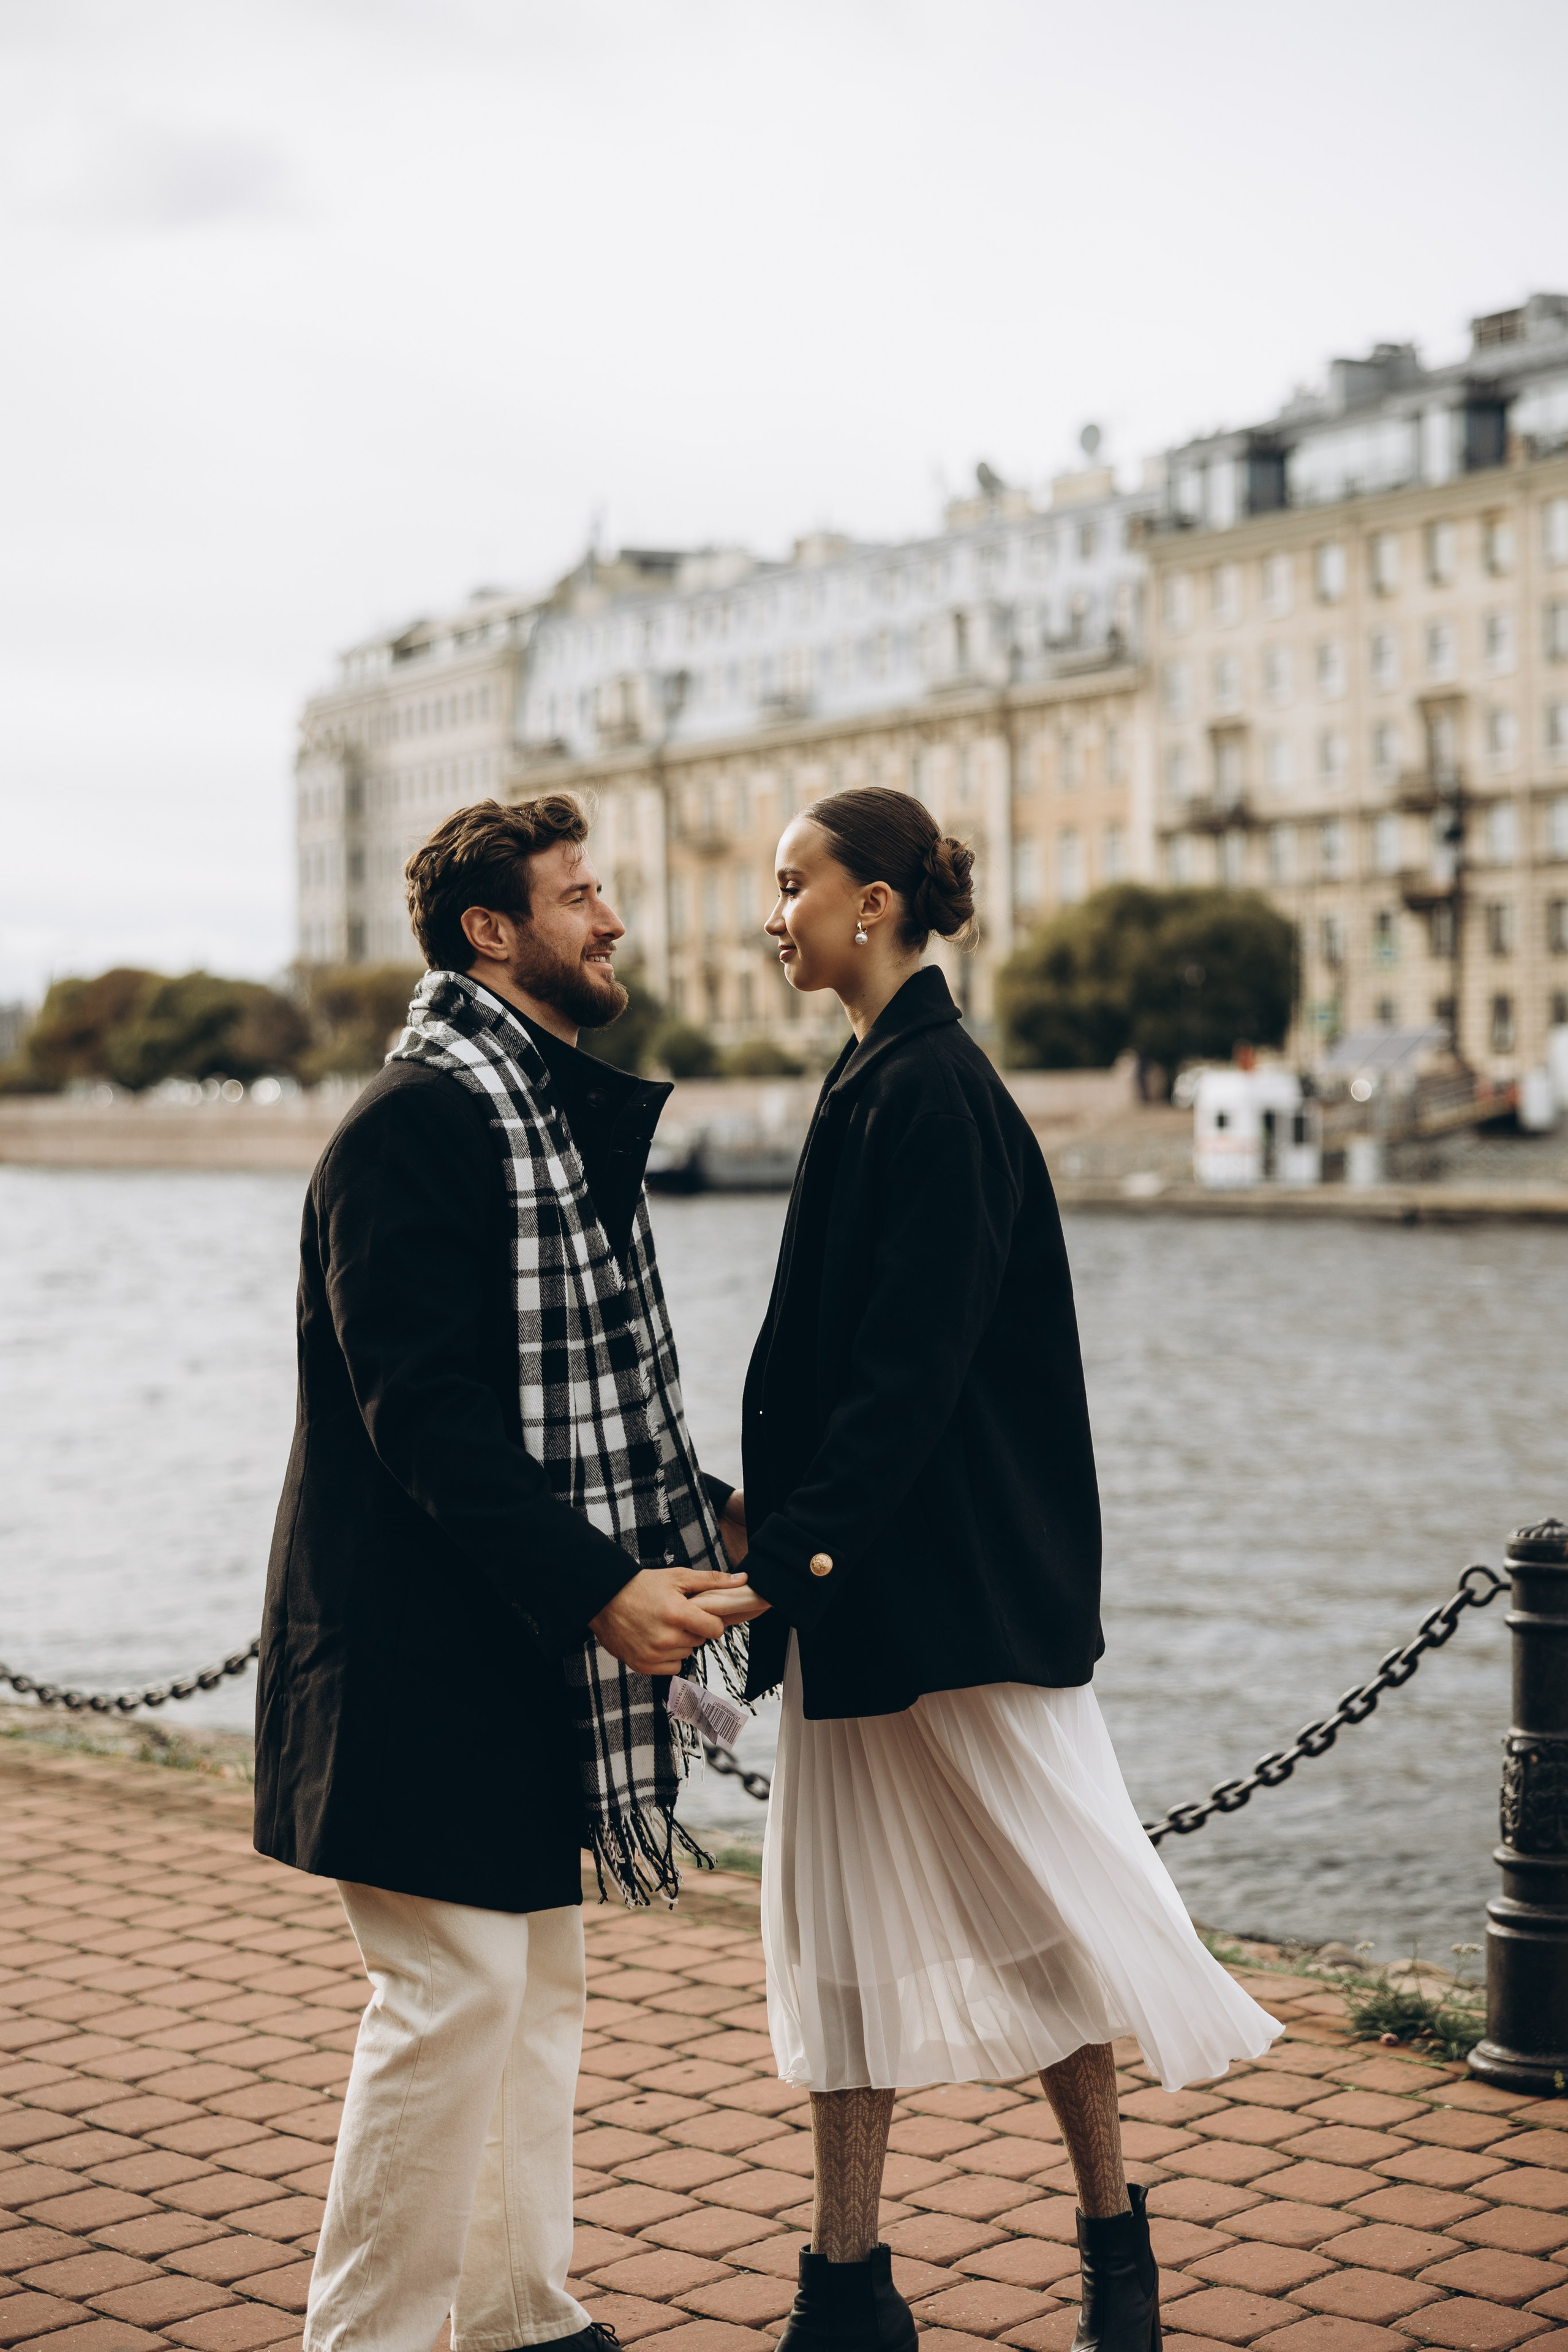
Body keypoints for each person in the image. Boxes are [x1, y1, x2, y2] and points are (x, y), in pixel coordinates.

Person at [715, 787, 1280, 2352]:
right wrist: (776, 1537)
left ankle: (1111, 2243)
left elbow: (913, 1369)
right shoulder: (879, 1076)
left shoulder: (936, 1092)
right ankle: (846, 2286)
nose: (773, 914)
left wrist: (795, 1558)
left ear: (876, 901)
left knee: (1053, 1915)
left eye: (792, 884)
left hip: (944, 1593)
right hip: (870, 1584)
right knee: (832, 1935)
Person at [254, 795, 750, 2352]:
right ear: (493, 930)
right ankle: (370, 2341)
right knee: (452, 1997)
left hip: (499, 1651)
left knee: (532, 1989)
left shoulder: (526, 1112)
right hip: (412, 1657)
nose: (608, 919)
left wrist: (711, 1522)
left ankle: (519, 2318)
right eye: (579, 893)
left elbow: (586, 1401)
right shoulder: (420, 1119)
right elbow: (431, 1414)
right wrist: (606, 1587)